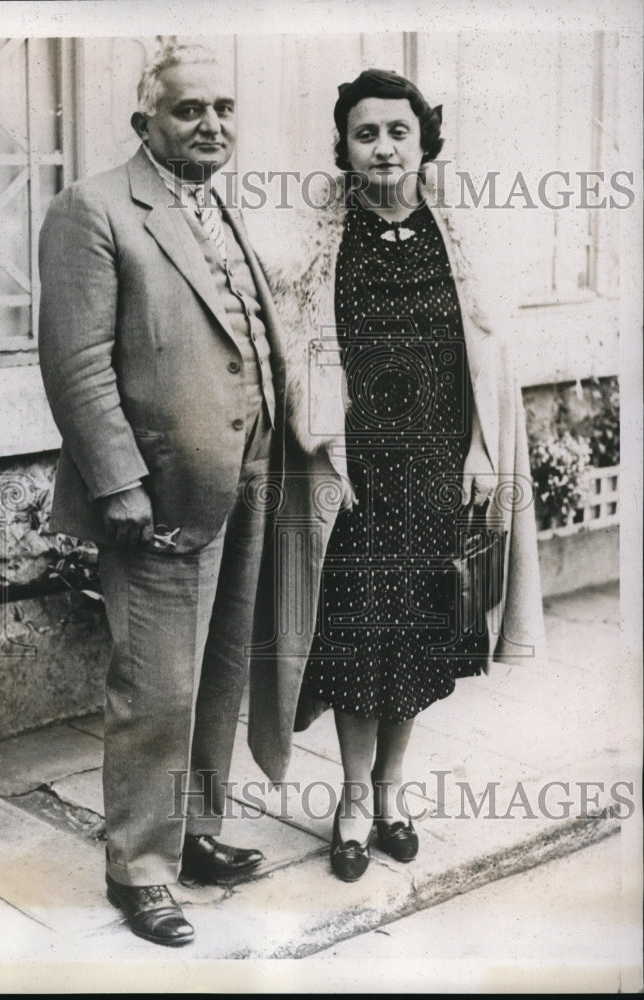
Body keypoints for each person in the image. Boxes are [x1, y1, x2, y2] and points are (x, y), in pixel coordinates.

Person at [247, 69, 544, 883]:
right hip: (349, 474)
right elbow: (292, 361)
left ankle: (390, 794)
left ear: (423, 142)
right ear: (343, 147)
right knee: (352, 636)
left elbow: (483, 365)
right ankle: (347, 800)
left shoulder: (462, 241)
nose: (383, 146)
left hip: (435, 468)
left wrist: (481, 452)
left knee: (416, 634)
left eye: (397, 131)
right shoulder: (314, 246)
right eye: (365, 132)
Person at [38, 42, 296, 947]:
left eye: (223, 107)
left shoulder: (215, 202)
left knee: (219, 668)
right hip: (157, 495)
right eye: (189, 110)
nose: (211, 124)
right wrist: (118, 482)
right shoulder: (94, 208)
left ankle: (193, 834)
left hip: (248, 475)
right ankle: (137, 870)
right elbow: (74, 366)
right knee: (154, 684)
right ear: (144, 121)